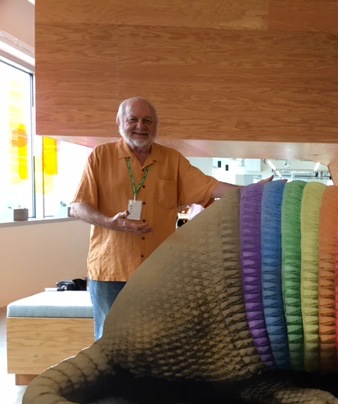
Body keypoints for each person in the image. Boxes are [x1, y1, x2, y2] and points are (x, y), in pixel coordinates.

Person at [70, 97, 268, 339]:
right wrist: (110, 222)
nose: (140, 126)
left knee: (157, 340)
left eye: (148, 121)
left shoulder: (172, 160)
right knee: (110, 342)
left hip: (157, 271)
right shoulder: (101, 157)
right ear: (119, 122)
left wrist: (253, 191)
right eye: (133, 119)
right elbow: (78, 207)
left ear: (156, 125)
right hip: (111, 271)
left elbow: (210, 187)